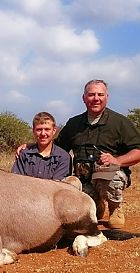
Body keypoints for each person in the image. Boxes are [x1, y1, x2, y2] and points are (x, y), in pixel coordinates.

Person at [17, 79, 140, 229]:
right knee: (73, 193)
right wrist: (31, 146)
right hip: (83, 179)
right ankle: (96, 204)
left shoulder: (120, 122)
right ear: (84, 98)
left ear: (107, 96)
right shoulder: (74, 123)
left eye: (100, 94)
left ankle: (115, 208)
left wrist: (117, 160)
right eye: (91, 94)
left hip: (109, 177)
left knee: (111, 175)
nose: (96, 98)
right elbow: (56, 147)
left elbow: (137, 151)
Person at [12, 112, 71, 180]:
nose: (43, 133)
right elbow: (16, 180)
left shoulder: (63, 157)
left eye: (47, 129)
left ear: (54, 131)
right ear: (33, 131)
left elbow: (57, 186)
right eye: (39, 130)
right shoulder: (24, 154)